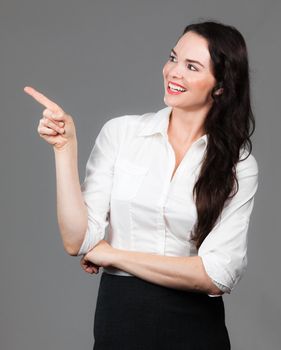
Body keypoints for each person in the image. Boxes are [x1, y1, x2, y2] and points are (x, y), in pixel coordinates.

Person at [24, 20, 259, 350]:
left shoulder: (239, 165)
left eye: (191, 66)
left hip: (196, 328)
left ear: (220, 86)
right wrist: (65, 149)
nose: (174, 72)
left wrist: (113, 255)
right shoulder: (121, 134)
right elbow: (77, 240)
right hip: (120, 318)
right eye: (173, 58)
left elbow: (216, 274)